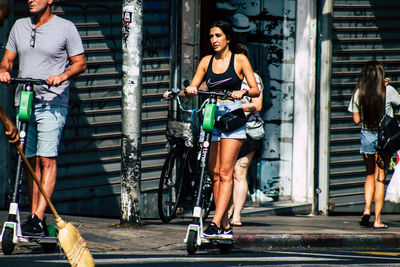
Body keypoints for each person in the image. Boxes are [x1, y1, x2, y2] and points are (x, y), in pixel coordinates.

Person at [166, 20, 259, 238]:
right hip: (211, 117)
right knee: (214, 174)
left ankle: (216, 221)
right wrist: (179, 92)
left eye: (218, 36)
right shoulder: (206, 62)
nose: (214, 40)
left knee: (226, 172)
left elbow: (254, 90)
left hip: (232, 118)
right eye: (211, 36)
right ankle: (225, 225)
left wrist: (242, 93)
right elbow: (195, 88)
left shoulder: (240, 60)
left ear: (228, 38)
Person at [0, 0, 86, 236]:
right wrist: (4, 69)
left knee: (47, 160)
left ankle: (37, 217)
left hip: (52, 102)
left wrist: (63, 75)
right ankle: (34, 215)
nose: (30, 0)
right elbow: (9, 57)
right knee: (29, 162)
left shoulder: (66, 27)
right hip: (25, 101)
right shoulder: (19, 26)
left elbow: (80, 63)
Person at [348, 61, 400, 229]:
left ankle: (366, 210)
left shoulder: (358, 93)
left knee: (369, 174)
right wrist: (386, 85)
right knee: (380, 178)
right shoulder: (388, 91)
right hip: (384, 138)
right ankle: (377, 220)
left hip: (367, 135)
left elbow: (356, 120)